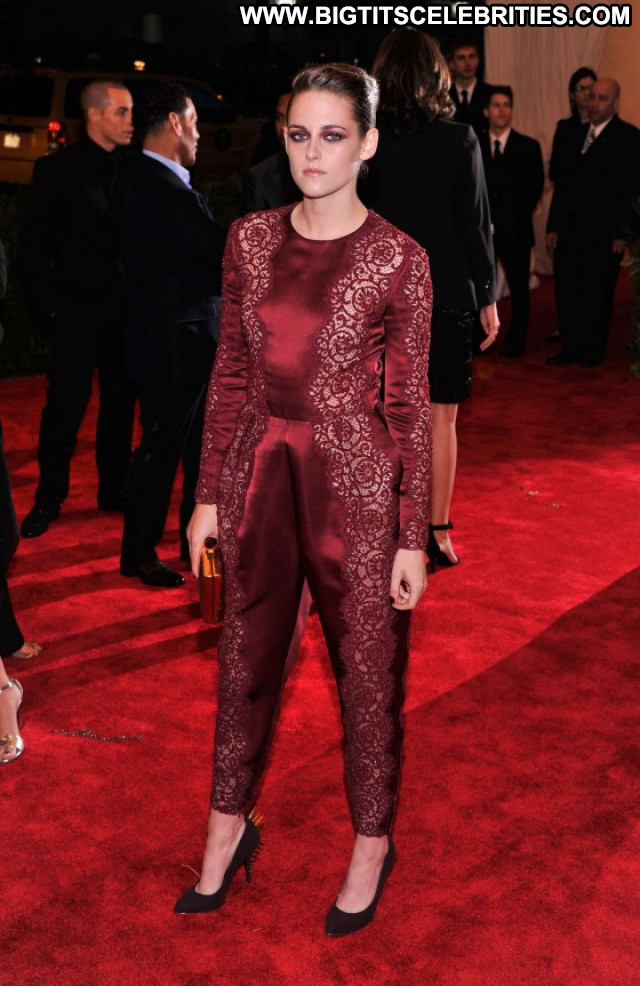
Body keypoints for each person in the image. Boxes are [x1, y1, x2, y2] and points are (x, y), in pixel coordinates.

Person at [175, 62, 432, 938]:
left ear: (368, 143)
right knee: (243, 661)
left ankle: (371, 844)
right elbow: (230, 373)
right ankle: (225, 830)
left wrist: (412, 535)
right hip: (257, 471)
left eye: (332, 135)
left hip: (355, 484)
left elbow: (409, 408)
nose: (312, 153)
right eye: (297, 134)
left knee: (368, 674)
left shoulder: (400, 257)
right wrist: (207, 495)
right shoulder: (248, 239)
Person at [365, 28, 497, 572]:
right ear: (436, 75)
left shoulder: (368, 141)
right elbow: (476, 226)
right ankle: (435, 532)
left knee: (379, 418)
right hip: (446, 295)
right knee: (441, 419)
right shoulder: (460, 139)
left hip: (378, 298)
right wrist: (488, 296)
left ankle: (381, 527)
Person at [118, 83, 225, 588]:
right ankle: (139, 553)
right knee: (162, 447)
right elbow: (210, 248)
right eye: (195, 121)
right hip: (169, 343)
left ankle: (190, 540)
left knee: (196, 449)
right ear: (176, 122)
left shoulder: (160, 180)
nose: (200, 133)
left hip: (186, 340)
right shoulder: (152, 184)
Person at [18, 81, 136, 539]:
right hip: (74, 313)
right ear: (94, 115)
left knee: (120, 405)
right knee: (64, 408)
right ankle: (48, 498)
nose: (131, 121)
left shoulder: (136, 168)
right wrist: (50, 309)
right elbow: (33, 247)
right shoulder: (55, 170)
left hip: (125, 314)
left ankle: (114, 489)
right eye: (122, 112)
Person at [546, 78, 640, 367]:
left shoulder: (628, 137)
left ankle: (592, 349)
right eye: (592, 97)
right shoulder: (574, 133)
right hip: (570, 229)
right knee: (568, 289)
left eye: (602, 98)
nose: (594, 103)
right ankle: (571, 346)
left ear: (614, 103)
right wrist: (553, 226)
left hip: (604, 233)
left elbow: (631, 189)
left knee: (597, 292)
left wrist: (623, 232)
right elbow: (562, 185)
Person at [479, 86, 544, 357]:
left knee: (519, 290)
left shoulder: (528, 146)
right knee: (482, 289)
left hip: (515, 230)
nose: (502, 110)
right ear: (487, 111)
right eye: (496, 105)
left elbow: (534, 188)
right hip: (481, 231)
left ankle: (516, 342)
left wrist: (511, 218)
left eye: (506, 105)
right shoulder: (473, 146)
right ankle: (482, 339)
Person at [242, 91, 300, 213]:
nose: (283, 126)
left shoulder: (336, 170)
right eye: (279, 118)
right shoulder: (260, 178)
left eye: (291, 116)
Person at [548, 67, 597, 183]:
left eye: (591, 87)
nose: (587, 93)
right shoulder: (564, 128)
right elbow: (554, 171)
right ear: (572, 95)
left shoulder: (603, 126)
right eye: (580, 88)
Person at [447, 38, 492, 136]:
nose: (468, 63)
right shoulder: (445, 95)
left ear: (478, 60)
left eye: (471, 57)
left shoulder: (490, 94)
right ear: (451, 64)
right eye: (461, 58)